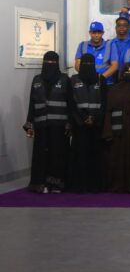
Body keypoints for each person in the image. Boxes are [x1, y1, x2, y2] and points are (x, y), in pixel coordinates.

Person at [24, 51, 71, 194]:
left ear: (57, 63)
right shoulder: (37, 80)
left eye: (52, 62)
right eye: (47, 62)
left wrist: (70, 123)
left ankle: (56, 184)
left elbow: (70, 103)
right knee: (40, 155)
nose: (49, 65)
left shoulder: (65, 79)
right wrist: (29, 123)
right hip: (41, 124)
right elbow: (32, 103)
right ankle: (39, 183)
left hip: (59, 125)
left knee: (57, 155)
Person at [68, 53, 105, 193]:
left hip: (96, 125)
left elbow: (104, 102)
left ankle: (95, 185)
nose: (87, 66)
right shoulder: (73, 80)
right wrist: (83, 119)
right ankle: (80, 184)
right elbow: (71, 103)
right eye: (85, 63)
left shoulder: (100, 79)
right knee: (80, 154)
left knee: (96, 154)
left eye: (90, 63)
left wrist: (95, 119)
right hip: (80, 125)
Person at [103, 63, 130, 193]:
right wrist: (108, 131)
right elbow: (108, 111)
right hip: (117, 131)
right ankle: (117, 184)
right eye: (127, 71)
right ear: (122, 73)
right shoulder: (114, 89)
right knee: (117, 157)